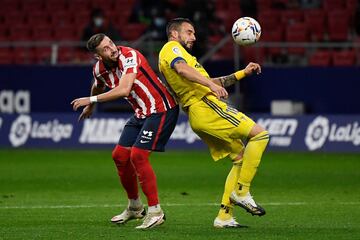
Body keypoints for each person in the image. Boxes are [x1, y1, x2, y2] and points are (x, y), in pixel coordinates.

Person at [158, 18, 269, 228]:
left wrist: (242, 73)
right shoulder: (171, 49)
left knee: (240, 159)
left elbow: (212, 82)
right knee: (260, 135)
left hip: (199, 113)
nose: (193, 37)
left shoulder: (187, 59)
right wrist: (209, 84)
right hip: (206, 107)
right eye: (189, 32)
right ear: (174, 34)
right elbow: (183, 70)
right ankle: (242, 191)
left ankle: (224, 217)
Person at [71, 33, 179, 229]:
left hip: (162, 109)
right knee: (120, 156)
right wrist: (91, 106)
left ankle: (156, 211)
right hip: (141, 113)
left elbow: (124, 89)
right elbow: (97, 84)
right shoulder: (99, 69)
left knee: (138, 156)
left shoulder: (129, 55)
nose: (112, 49)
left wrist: (91, 101)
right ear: (98, 56)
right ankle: (135, 207)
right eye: (105, 48)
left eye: (111, 43)